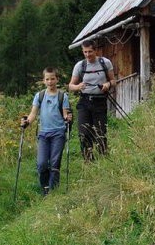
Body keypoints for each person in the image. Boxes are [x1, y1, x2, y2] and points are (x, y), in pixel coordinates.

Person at [21, 67, 72, 196]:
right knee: (42, 163)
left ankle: (52, 191)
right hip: (43, 133)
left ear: (57, 79)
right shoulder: (40, 95)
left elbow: (65, 114)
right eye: (47, 79)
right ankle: (45, 188)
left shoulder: (62, 96)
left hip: (59, 133)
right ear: (43, 81)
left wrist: (68, 118)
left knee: (55, 163)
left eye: (52, 79)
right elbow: (33, 114)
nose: (50, 82)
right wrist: (27, 122)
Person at [68, 39, 116, 161]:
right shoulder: (80, 65)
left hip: (99, 101)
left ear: (96, 50)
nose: (88, 55)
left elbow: (113, 81)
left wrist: (107, 85)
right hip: (84, 101)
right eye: (85, 52)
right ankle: (88, 160)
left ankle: (104, 159)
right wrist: (78, 87)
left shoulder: (105, 63)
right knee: (83, 133)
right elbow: (70, 86)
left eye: (90, 51)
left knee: (100, 132)